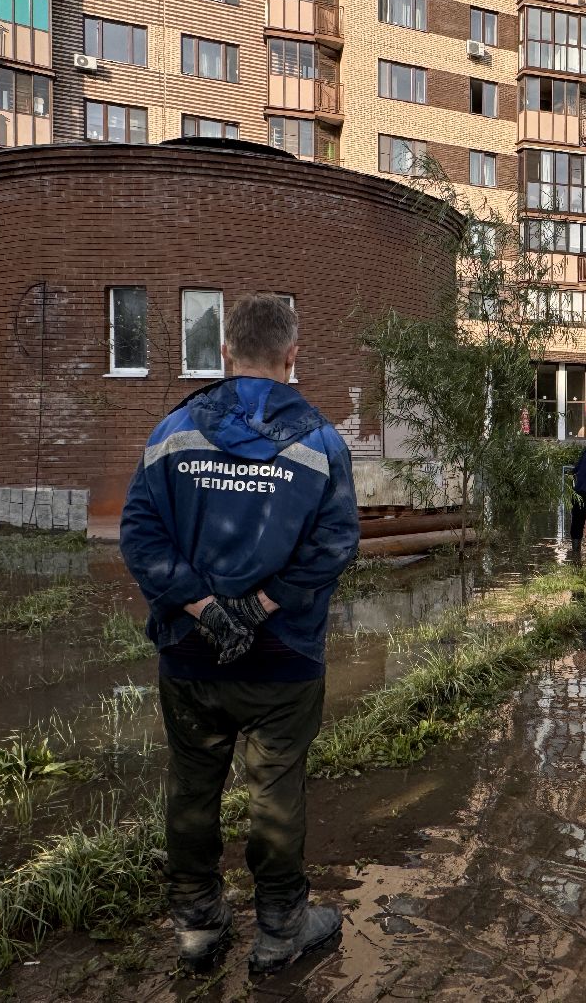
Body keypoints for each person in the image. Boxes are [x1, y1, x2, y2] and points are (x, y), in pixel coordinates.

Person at [119, 293, 359, 976]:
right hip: (285, 658)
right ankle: (281, 928)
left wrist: (203, 607)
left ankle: (198, 924)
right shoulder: (320, 442)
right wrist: (259, 606)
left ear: (225, 352)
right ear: (292, 356)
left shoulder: (173, 432)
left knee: (193, 787)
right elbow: (335, 544)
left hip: (190, 655)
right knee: (276, 792)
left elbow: (140, 535)